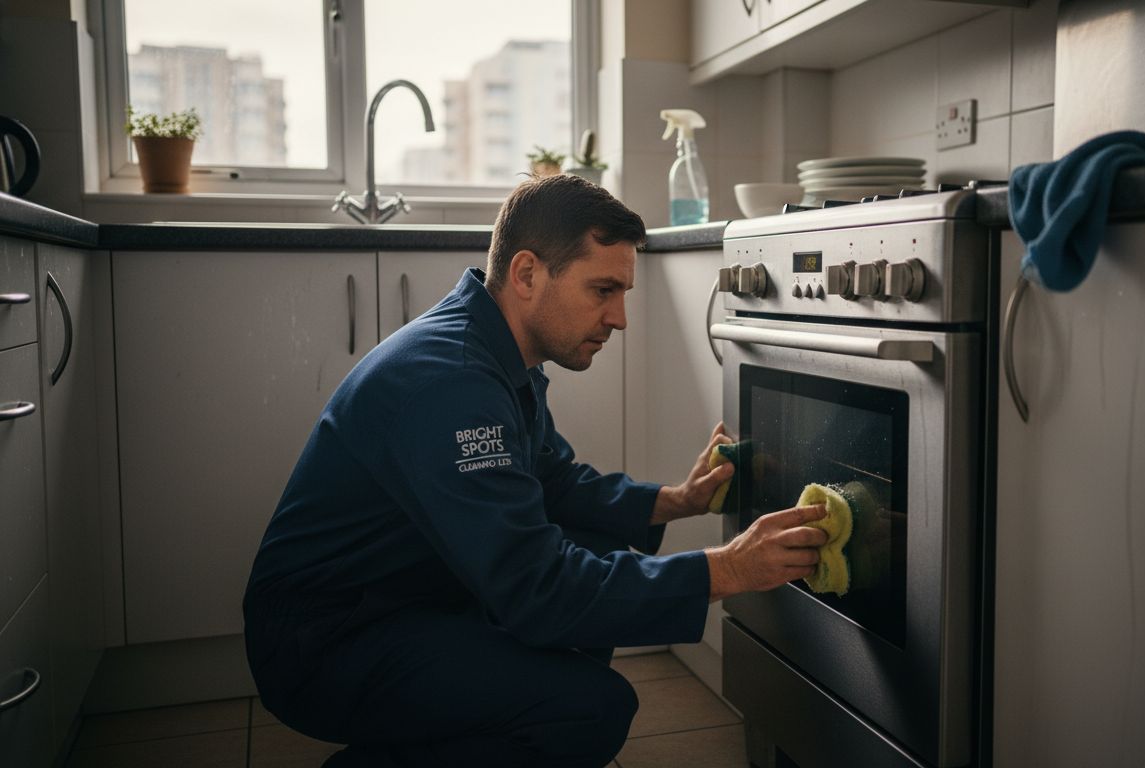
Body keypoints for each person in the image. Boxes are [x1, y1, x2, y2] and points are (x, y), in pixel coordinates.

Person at [242, 174, 828, 768]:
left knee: (595, 545)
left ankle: (470, 719)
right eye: (603, 289)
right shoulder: (453, 384)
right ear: (526, 275)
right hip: (326, 640)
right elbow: (535, 587)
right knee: (589, 707)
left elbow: (552, 481)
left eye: (622, 292)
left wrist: (676, 500)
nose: (619, 318)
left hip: (403, 592)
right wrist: (725, 569)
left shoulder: (494, 351)